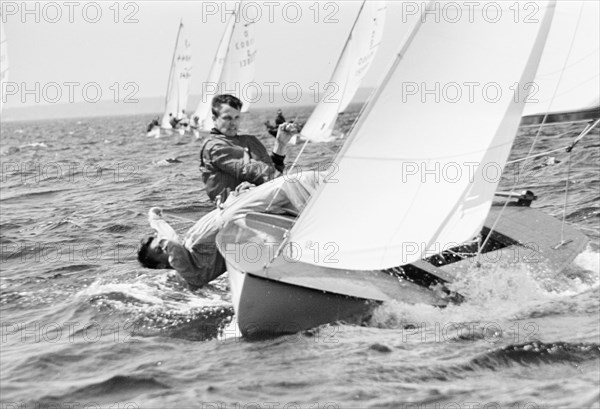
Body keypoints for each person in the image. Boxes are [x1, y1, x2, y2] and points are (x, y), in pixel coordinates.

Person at [137, 171, 323, 289]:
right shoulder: (189, 272)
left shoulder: (186, 251)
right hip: (234, 216)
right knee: (291, 185)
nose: (164, 245)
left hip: (234, 210)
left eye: (160, 243)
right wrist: (156, 225)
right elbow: (171, 243)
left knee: (293, 185)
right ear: (161, 265)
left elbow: (172, 239)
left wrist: (155, 219)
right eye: (160, 249)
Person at [200, 94, 299, 205]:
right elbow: (249, 170)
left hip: (261, 201)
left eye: (237, 117)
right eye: (227, 118)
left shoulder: (250, 141)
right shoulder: (214, 146)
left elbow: (271, 172)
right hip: (231, 206)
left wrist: (280, 144)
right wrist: (292, 184)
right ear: (214, 119)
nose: (233, 123)